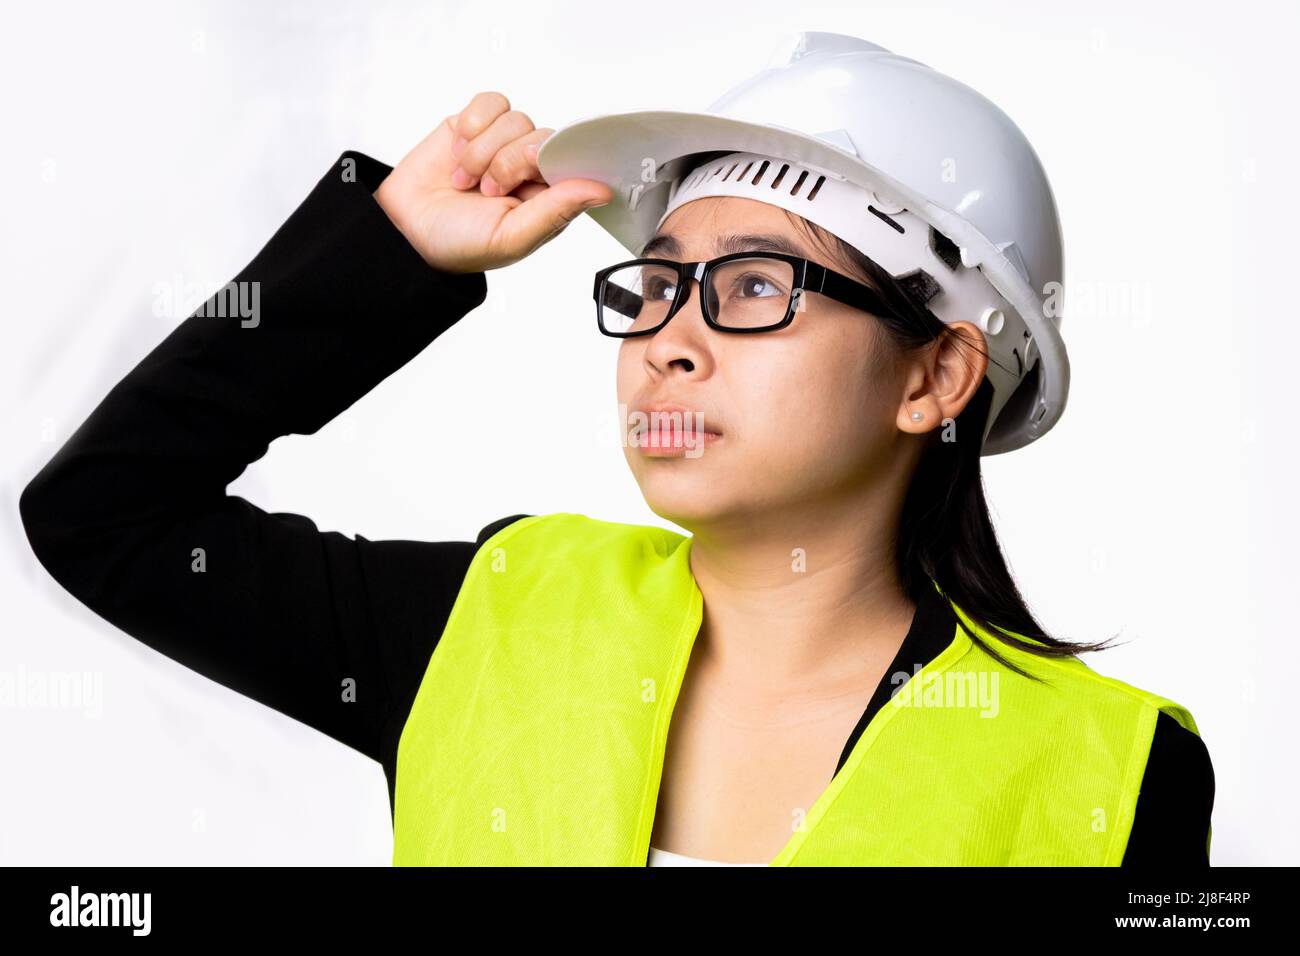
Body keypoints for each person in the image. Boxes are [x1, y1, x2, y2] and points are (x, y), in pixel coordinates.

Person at [20, 33, 1213, 867]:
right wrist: (389, 252)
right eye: (654, 284)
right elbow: (105, 515)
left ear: (933, 375)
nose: (667, 340)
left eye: (754, 284)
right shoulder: (485, 624)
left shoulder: (1112, 770)